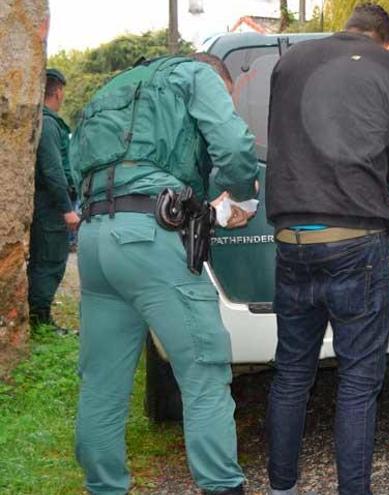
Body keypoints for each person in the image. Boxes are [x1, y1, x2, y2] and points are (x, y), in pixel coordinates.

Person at [70, 53, 260, 495]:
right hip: (149, 239)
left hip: (96, 238)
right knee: (204, 370)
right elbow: (233, 146)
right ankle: (222, 486)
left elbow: (74, 161)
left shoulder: (116, 88)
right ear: (218, 77)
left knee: (101, 381)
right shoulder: (197, 75)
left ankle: (103, 487)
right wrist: (241, 196)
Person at [264, 3, 389, 495]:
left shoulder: (289, 61)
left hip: (292, 239)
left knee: (291, 372)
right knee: (358, 379)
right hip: (354, 238)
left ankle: (281, 486)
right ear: (388, 42)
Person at [28, 68, 79, 333]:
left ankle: (40, 318)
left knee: (46, 261)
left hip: (48, 205)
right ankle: (39, 322)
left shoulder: (44, 121)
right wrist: (67, 209)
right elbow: (52, 170)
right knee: (49, 262)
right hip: (50, 208)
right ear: (58, 91)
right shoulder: (48, 123)